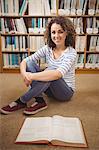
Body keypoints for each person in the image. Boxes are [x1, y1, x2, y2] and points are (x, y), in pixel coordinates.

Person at [0, 16, 77, 115]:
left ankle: (22, 101)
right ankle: (40, 101)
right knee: (30, 63)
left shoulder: (71, 52)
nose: (56, 35)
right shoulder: (48, 48)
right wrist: (25, 75)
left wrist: (31, 76)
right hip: (49, 90)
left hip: (65, 92)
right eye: (53, 32)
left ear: (67, 33)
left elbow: (57, 74)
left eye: (60, 31)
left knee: (51, 70)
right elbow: (25, 61)